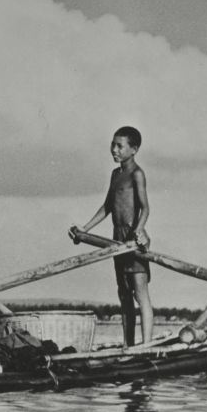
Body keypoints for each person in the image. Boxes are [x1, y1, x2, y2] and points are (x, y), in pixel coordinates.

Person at [69, 125, 154, 346]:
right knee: (124, 294)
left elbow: (145, 208)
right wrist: (85, 229)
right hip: (116, 240)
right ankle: (129, 345)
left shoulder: (137, 174)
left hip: (133, 241)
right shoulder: (115, 174)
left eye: (120, 146)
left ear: (133, 149)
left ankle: (146, 346)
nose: (114, 150)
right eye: (113, 145)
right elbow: (108, 206)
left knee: (140, 293)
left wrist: (137, 233)